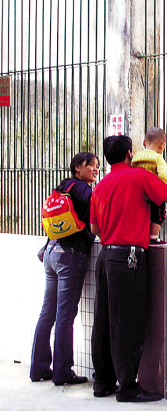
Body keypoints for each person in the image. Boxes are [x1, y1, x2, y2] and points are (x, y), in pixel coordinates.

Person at [90, 134, 167, 402]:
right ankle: (128, 386)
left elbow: (94, 229)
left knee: (104, 319)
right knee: (127, 321)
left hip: (105, 256)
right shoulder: (140, 177)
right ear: (131, 153)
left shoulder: (100, 185)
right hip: (129, 257)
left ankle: (102, 381)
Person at [30, 152, 100, 385]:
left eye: (97, 165)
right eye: (90, 164)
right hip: (70, 256)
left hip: (51, 252)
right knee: (65, 315)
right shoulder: (81, 188)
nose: (95, 168)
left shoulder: (62, 187)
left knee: (47, 313)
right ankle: (62, 372)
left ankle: (38, 368)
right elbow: (97, 207)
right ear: (77, 167)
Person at [131, 127, 167, 245]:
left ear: (144, 143)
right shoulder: (158, 158)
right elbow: (163, 174)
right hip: (154, 193)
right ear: (163, 145)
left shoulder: (136, 157)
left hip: (138, 193)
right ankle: (153, 237)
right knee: (159, 214)